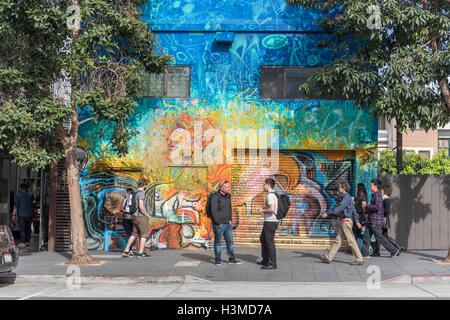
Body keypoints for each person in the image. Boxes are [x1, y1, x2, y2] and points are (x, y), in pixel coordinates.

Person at [319, 182, 364, 265]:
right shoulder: (346, 197)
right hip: (343, 221)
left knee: (351, 241)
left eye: (339, 187)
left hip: (346, 222)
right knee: (338, 241)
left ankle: (359, 258)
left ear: (343, 189)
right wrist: (357, 221)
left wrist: (328, 213)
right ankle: (329, 257)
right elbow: (353, 210)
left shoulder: (346, 198)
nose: (338, 188)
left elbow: (339, 208)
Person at [361, 179, 400, 258]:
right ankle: (365, 253)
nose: (370, 186)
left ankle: (394, 250)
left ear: (375, 186)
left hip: (375, 221)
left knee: (380, 237)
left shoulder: (377, 195)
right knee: (366, 236)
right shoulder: (375, 194)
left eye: (371, 185)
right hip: (371, 220)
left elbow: (377, 207)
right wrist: (367, 213)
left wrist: (366, 206)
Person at [207, 180, 242, 265]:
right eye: (226, 187)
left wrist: (230, 220)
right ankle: (218, 260)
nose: (228, 188)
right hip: (219, 225)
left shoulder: (228, 196)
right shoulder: (215, 196)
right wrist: (219, 223)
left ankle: (231, 259)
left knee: (230, 242)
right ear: (221, 187)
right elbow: (213, 211)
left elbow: (230, 209)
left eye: (228, 187)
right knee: (218, 242)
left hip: (227, 224)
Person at [122, 178, 151, 258]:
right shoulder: (141, 193)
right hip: (140, 216)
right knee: (144, 235)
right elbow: (141, 207)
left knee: (134, 234)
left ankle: (126, 251)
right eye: (146, 185)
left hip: (133, 216)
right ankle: (140, 253)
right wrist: (146, 215)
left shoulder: (133, 192)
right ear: (145, 185)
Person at [371, 184, 402, 256]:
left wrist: (378, 210)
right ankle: (396, 248)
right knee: (383, 236)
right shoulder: (383, 199)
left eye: (381, 190)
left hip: (383, 220)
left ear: (384, 191)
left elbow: (387, 211)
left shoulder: (386, 199)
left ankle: (395, 248)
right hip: (382, 219)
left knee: (379, 236)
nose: (380, 191)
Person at [257, 178, 279, 270]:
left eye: (264, 184)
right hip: (271, 221)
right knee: (263, 238)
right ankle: (265, 260)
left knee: (269, 242)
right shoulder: (274, 195)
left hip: (270, 221)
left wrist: (262, 210)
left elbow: (272, 209)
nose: (263, 186)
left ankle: (272, 263)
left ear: (268, 185)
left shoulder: (270, 196)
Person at [11, 184, 34, 248]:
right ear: (26, 188)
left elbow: (16, 207)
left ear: (21, 188)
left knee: (22, 229)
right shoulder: (31, 194)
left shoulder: (19, 196)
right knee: (28, 228)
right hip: (29, 214)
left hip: (21, 215)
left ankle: (23, 242)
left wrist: (13, 215)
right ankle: (27, 242)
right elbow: (32, 202)